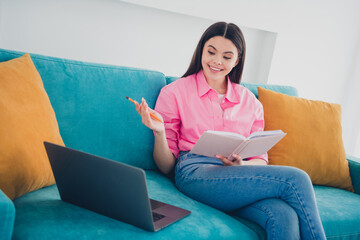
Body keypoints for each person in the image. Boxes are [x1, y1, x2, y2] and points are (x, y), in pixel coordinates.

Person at [133, 22, 326, 240]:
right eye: (211, 52)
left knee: (283, 215)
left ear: (237, 60)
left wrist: (242, 165)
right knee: (296, 179)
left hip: (238, 177)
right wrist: (159, 133)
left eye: (226, 56)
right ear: (201, 51)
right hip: (195, 174)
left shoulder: (250, 102)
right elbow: (167, 166)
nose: (216, 61)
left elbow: (261, 159)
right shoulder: (174, 92)